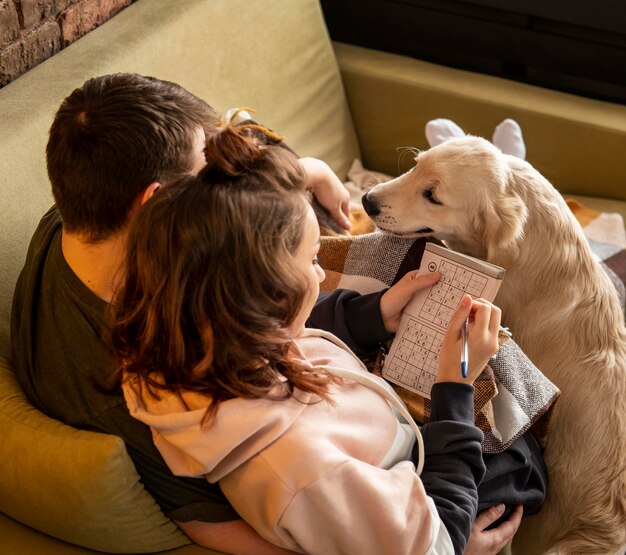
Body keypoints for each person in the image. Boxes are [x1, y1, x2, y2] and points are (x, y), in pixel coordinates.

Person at [10, 73, 526, 554]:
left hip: (365, 413)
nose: (225, 176)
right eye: (209, 168)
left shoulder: (84, 216)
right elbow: (236, 524)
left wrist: (307, 175)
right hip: (406, 489)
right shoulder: (123, 382)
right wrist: (448, 543)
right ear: (159, 205)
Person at [109, 121, 511, 555]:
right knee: (524, 453)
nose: (322, 275)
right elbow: (430, 544)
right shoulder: (307, 471)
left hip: (402, 447)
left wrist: (369, 316)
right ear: (263, 297)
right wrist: (456, 384)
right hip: (435, 499)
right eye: (314, 259)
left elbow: (298, 336)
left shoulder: (199, 340)